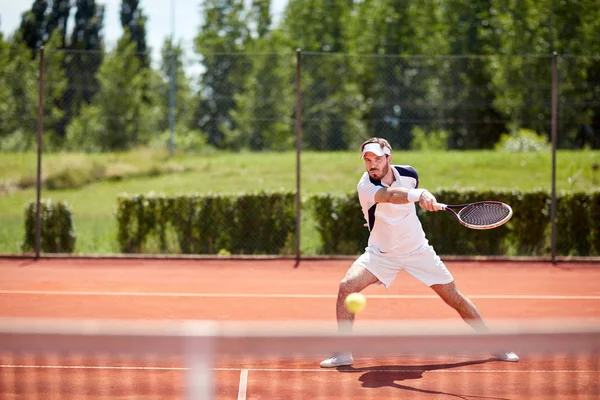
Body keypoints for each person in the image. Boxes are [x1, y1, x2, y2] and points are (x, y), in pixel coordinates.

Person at [320, 137, 519, 368]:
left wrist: (424, 199)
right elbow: (391, 196)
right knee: (346, 286)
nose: (372, 164)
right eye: (367, 160)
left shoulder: (410, 174)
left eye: (377, 159)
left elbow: (408, 196)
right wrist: (420, 195)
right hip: (381, 254)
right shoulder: (365, 186)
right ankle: (343, 351)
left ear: (389, 158)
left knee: (454, 297)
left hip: (418, 251)